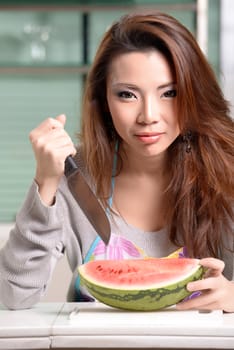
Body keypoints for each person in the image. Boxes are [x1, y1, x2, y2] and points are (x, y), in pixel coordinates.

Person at [0, 12, 233, 312]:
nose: (148, 115)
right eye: (127, 95)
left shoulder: (226, 171)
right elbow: (13, 296)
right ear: (104, 100)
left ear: (193, 93)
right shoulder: (76, 178)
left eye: (169, 93)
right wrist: (46, 182)